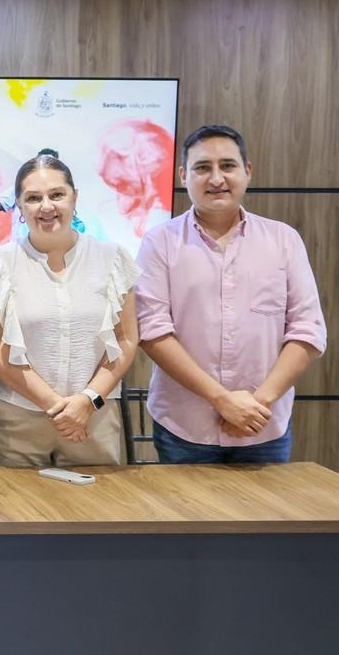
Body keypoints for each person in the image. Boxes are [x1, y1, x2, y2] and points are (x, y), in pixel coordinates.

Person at [136, 125, 325, 464]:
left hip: (264, 427)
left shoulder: (284, 241)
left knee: (266, 517)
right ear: (183, 175)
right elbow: (152, 332)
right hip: (184, 428)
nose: (216, 178)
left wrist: (258, 404)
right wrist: (222, 400)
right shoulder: (158, 242)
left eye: (227, 165)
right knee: (185, 516)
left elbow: (308, 330)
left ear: (247, 171)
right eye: (202, 167)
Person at [0, 152, 139, 467]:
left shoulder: (113, 257)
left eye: (57, 195)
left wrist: (87, 401)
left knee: (97, 511)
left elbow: (126, 339)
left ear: (74, 198)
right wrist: (57, 407)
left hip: (94, 420)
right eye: (33, 198)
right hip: (16, 422)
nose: (46, 206)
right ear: (19, 206)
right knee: (12, 511)